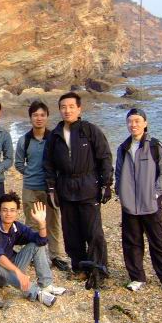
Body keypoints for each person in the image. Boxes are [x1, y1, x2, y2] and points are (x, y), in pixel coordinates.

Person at [43, 91, 113, 288]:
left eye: (71, 107)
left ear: (79, 109)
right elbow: (48, 164)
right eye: (63, 107)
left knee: (94, 232)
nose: (67, 110)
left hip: (88, 186)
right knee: (71, 231)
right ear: (59, 109)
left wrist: (106, 184)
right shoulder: (55, 135)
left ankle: (98, 269)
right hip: (65, 187)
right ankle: (79, 268)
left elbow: (105, 157)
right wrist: (51, 188)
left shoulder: (90, 130)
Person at [115, 108, 162, 293]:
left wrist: (155, 194)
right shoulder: (123, 147)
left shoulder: (155, 145)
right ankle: (137, 277)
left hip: (151, 204)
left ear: (145, 123)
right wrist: (122, 194)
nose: (133, 125)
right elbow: (118, 173)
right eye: (130, 121)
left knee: (158, 242)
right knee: (132, 242)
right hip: (129, 205)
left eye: (137, 121)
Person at [0, 192, 66, 307]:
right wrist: (18, 272)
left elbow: (41, 241)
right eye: (5, 210)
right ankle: (37, 293)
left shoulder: (16, 227)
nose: (8, 214)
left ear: (17, 212)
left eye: (12, 210)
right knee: (0, 267)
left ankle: (46, 285)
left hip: (13, 265)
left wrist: (42, 223)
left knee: (36, 245)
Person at [14, 100, 70, 271]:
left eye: (42, 115)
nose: (39, 118)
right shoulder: (24, 140)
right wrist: (31, 172)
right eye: (35, 115)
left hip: (50, 188)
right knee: (31, 223)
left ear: (47, 117)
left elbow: (62, 161)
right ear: (30, 117)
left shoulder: (54, 138)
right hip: (30, 188)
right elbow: (18, 163)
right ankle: (34, 253)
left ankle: (56, 255)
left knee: (53, 222)